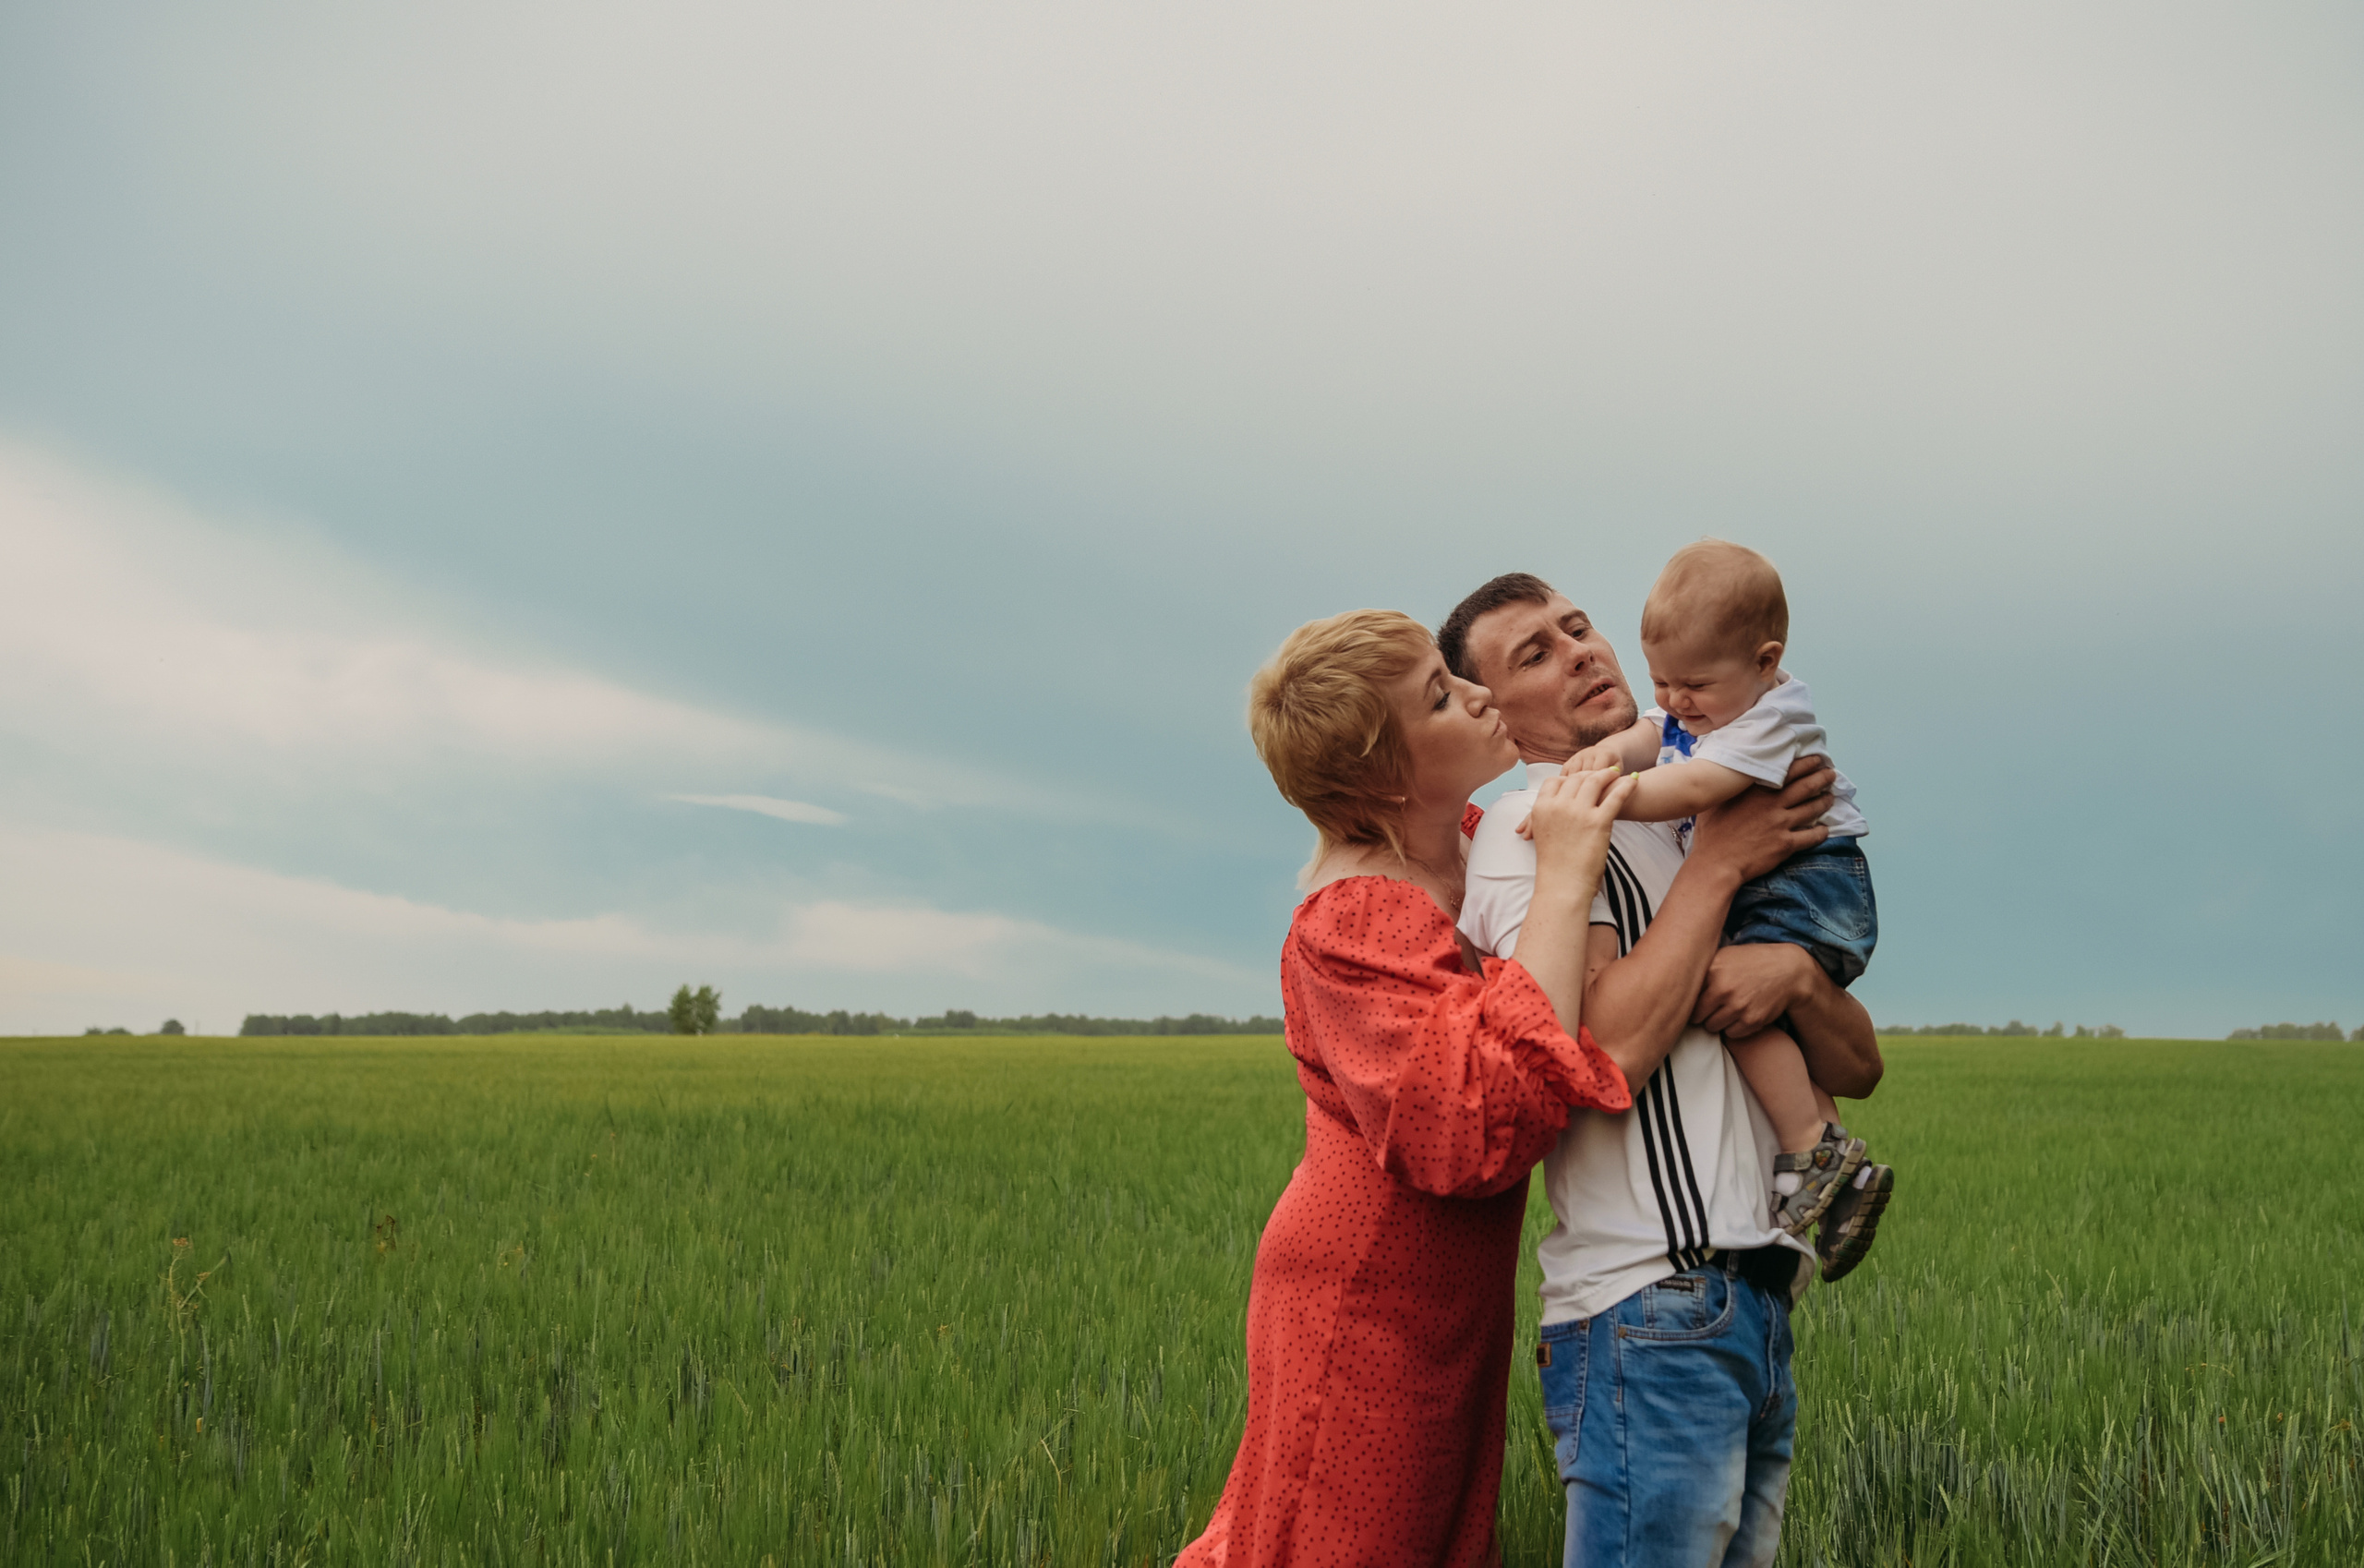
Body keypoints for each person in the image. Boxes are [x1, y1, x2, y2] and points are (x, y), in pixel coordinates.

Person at [1441, 573, 1887, 1568]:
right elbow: (1599, 1052)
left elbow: (1858, 1067)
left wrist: (1794, 982)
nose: (1582, 651)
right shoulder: (1530, 839)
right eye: (1536, 655)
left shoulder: (1705, 791)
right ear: (1496, 718)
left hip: (1760, 1307)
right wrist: (1719, 868)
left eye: (1576, 626)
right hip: (1651, 1308)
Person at [1177, 609, 1636, 1568]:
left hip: (1444, 1300)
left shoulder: (1471, 842)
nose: (1476, 693)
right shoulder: (1351, 920)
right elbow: (1473, 1130)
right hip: (1363, 1310)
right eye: (1439, 695)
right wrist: (1560, 875)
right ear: (1383, 776)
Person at [1562, 539, 1890, 1248]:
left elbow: (1696, 787)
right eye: (1663, 682)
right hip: (1791, 881)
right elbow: (1653, 737)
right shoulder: (1715, 703)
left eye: (1693, 687)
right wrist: (1606, 755)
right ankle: (1833, 1168)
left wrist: (1602, 793)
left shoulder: (1769, 718)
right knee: (1754, 999)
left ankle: (1810, 1140)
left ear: (1766, 662)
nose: (1676, 703)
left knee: (1727, 993)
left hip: (1810, 881)